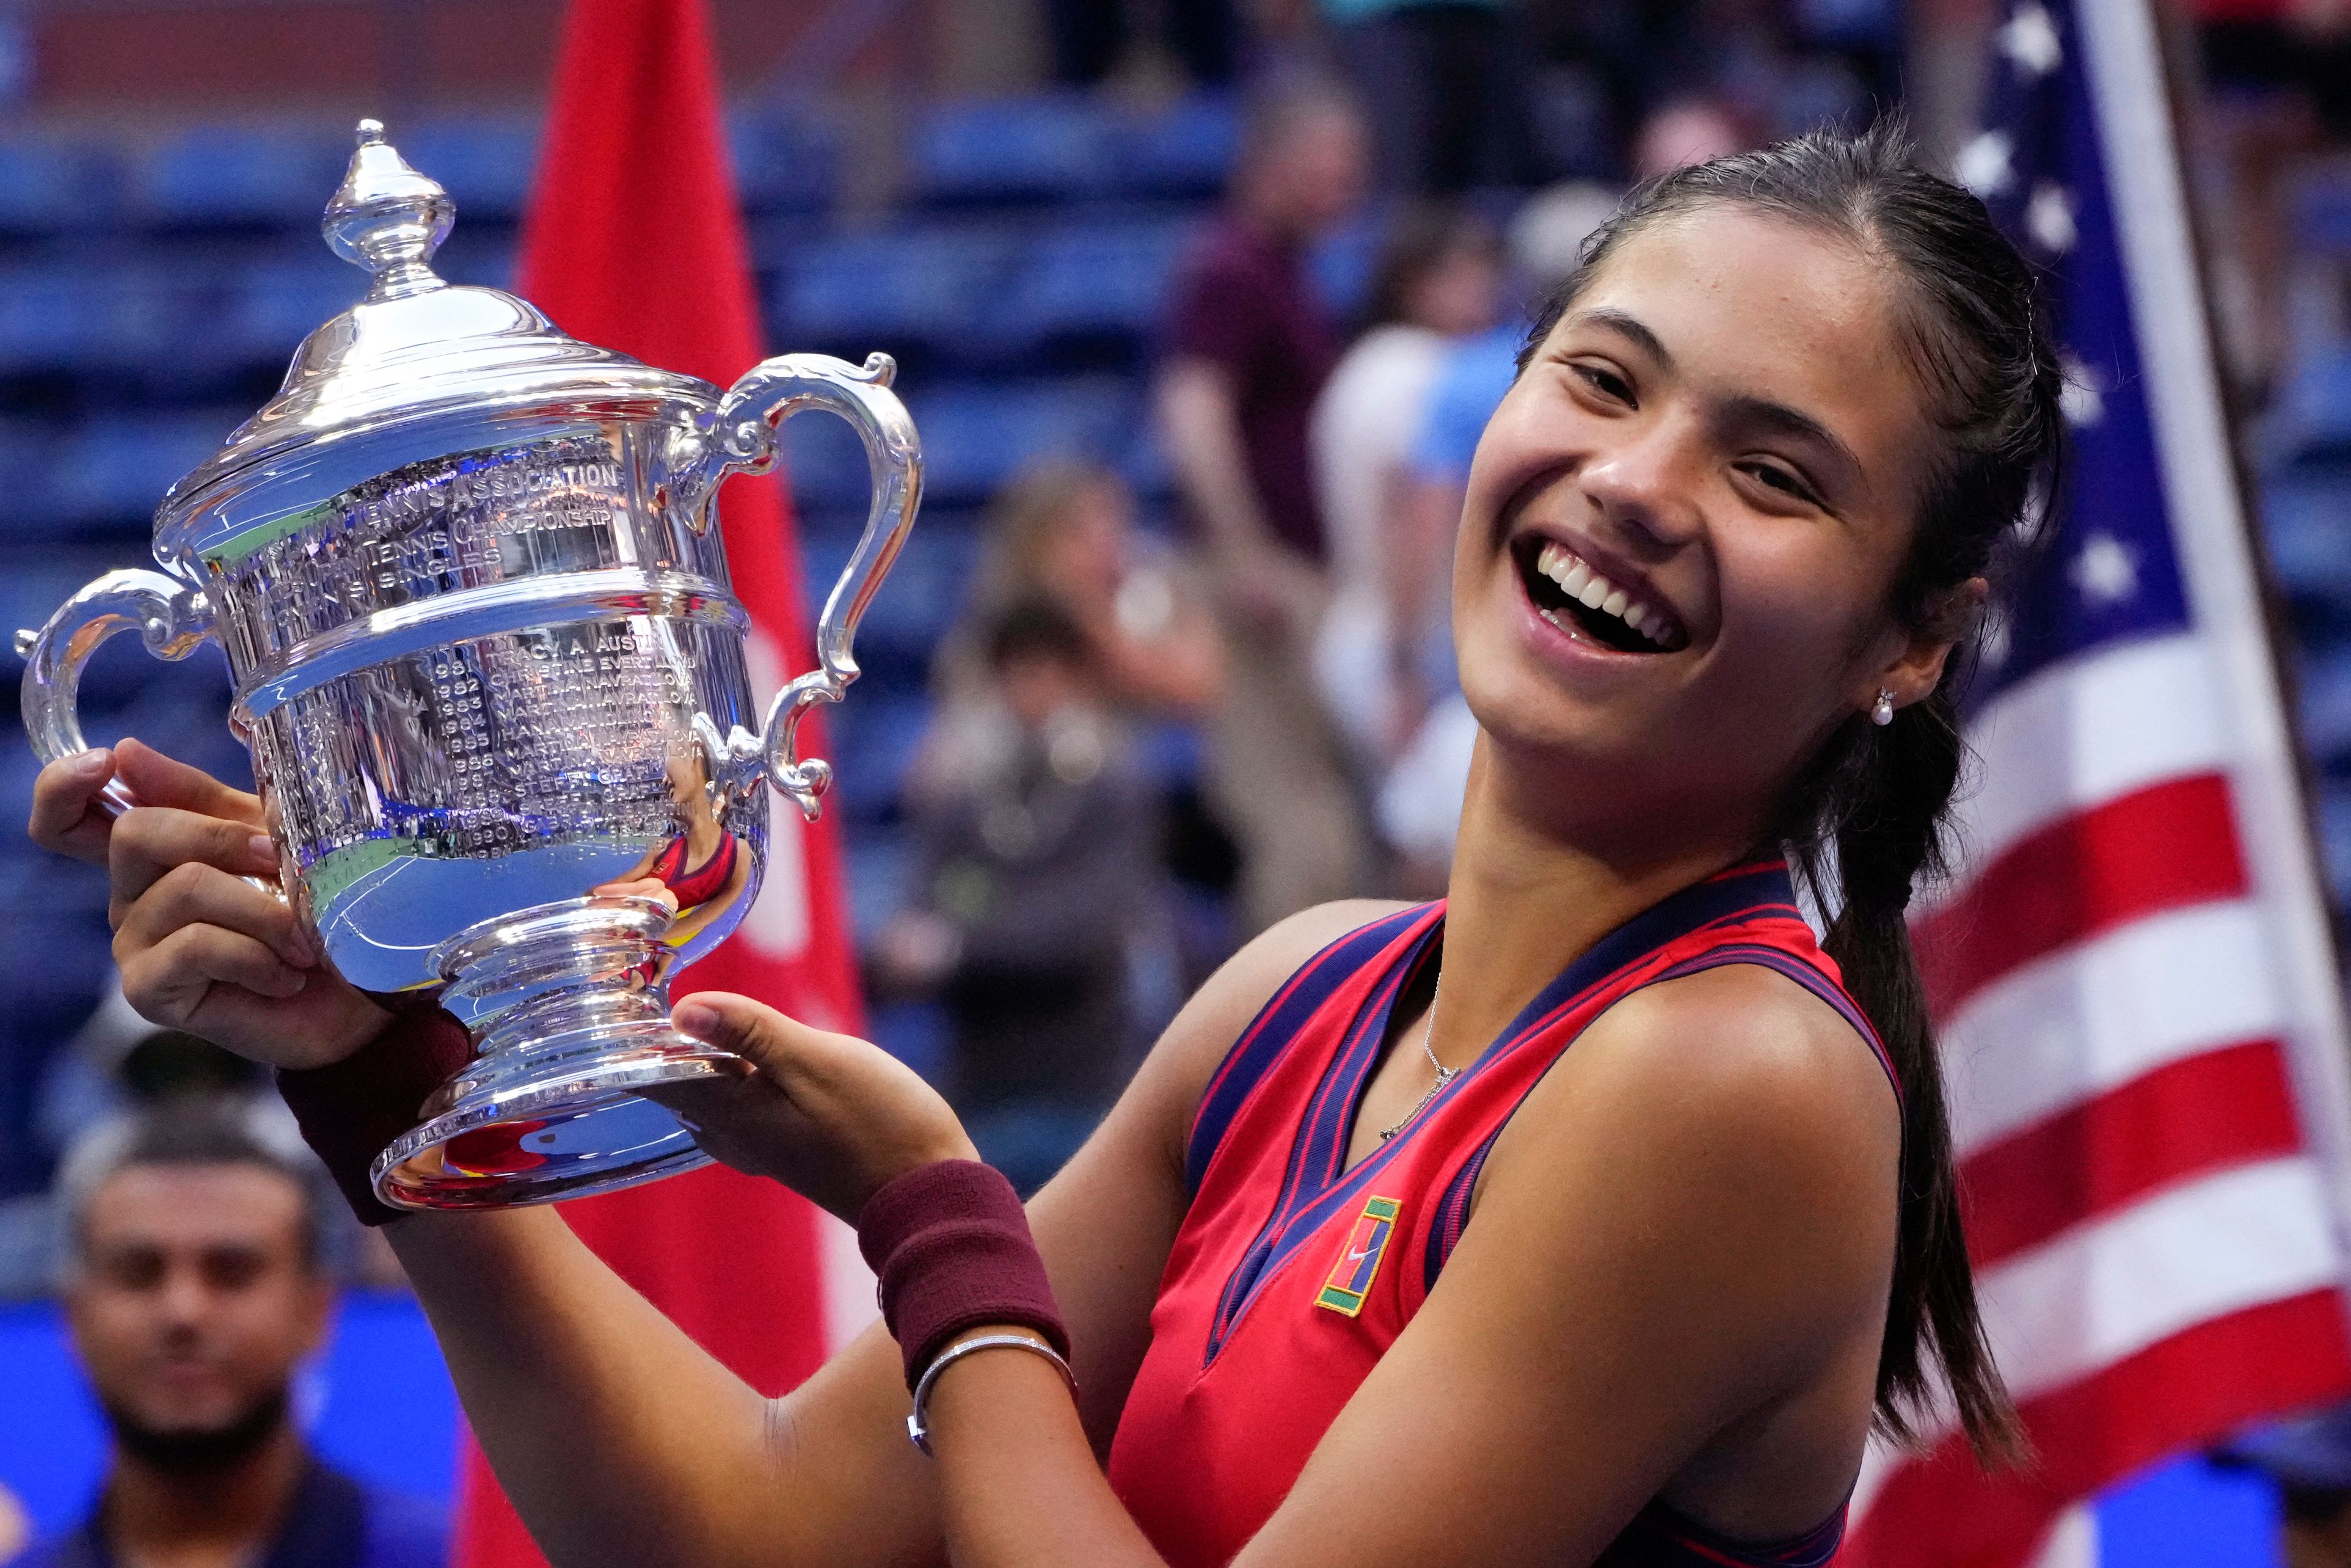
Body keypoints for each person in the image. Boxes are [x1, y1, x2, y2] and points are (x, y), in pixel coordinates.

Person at [37, 122, 2058, 1567]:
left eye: (1772, 472)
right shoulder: (1302, 995)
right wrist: (376, 1067)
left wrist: (932, 1216)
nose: (1633, 481)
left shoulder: (1732, 1076)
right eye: (1601, 380)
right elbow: (745, 1530)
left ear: (1911, 636)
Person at [13, 1098, 445, 1568]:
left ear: (315, 1310)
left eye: (232, 1270)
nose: (183, 1311)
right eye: (138, 1272)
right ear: (73, 1314)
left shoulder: (453, 1557)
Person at [1156, 71, 1376, 935]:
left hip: (1289, 572)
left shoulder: (1284, 270)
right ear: (1273, 163)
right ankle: (1281, 1007)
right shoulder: (1231, 269)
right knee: (1295, 826)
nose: (1344, 191)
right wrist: (1244, 555)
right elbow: (1192, 411)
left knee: (1325, 818)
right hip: (1256, 581)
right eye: (1328, 170)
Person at [873, 601, 1162, 1197]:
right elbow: (918, 924)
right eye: (1022, 671)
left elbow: (1086, 930)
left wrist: (963, 946)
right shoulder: (960, 792)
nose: (1038, 689)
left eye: (1053, 671)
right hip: (983, 1077)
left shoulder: (1111, 788)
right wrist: (977, 937)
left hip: (1086, 1076)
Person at [1308, 204, 1502, 768]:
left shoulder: (1361, 364)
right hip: (1403, 637)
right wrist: (1405, 665)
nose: (1484, 288)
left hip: (1363, 628)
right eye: (1464, 273)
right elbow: (1412, 510)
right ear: (1415, 283)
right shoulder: (1423, 370)